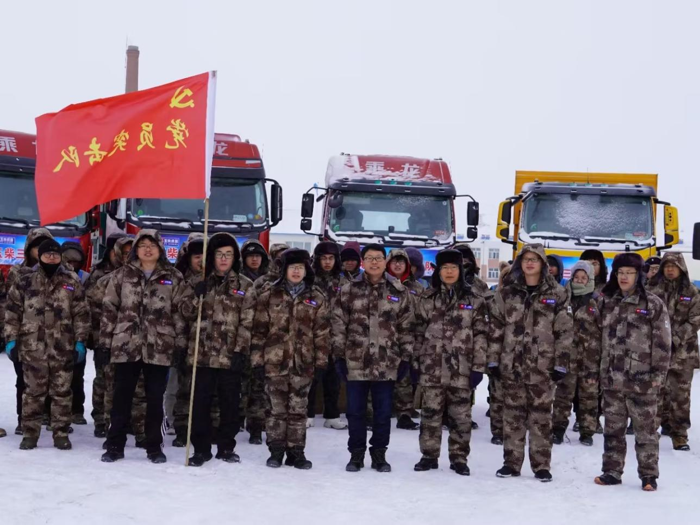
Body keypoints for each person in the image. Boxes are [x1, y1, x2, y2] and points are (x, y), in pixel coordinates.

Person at [100, 230, 192, 464]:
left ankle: (154, 447)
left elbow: (181, 313)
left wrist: (179, 344)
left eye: (152, 245)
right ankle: (114, 445)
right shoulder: (121, 275)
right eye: (142, 245)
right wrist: (105, 343)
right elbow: (110, 309)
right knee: (121, 398)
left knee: (154, 398)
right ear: (135, 250)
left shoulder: (173, 276)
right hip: (126, 346)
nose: (147, 249)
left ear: (160, 249)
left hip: (160, 347)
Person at [488, 243, 572, 482]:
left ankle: (541, 465)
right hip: (511, 365)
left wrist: (561, 363)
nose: (530, 263)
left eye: (535, 259)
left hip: (543, 368)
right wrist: (493, 360)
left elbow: (565, 332)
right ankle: (511, 463)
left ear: (543, 264)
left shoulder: (557, 294)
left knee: (541, 418)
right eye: (526, 259)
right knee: (512, 417)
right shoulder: (507, 293)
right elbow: (495, 328)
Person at [333, 244, 414, 473]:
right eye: (369, 258)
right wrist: (339, 356)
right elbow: (338, 325)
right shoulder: (348, 290)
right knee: (356, 413)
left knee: (382, 413)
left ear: (385, 261)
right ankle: (356, 455)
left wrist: (406, 357)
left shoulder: (398, 291)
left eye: (378, 258)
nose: (374, 263)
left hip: (387, 363)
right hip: (355, 362)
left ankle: (379, 455)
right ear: (362, 261)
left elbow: (407, 327)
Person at [594, 253, 671, 491]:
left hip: (643, 380)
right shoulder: (606, 302)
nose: (624, 277)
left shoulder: (652, 304)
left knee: (646, 432)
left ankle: (649, 475)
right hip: (612, 379)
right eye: (620, 273)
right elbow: (594, 337)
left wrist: (658, 377)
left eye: (629, 273)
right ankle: (612, 471)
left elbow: (663, 344)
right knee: (613, 430)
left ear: (638, 275)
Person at [4, 238, 90, 450]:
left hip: (63, 347)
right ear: (39, 256)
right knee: (32, 393)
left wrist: (80, 342)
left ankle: (60, 433)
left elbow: (81, 313)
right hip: (32, 347)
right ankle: (30, 434)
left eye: (55, 253)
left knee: (62, 393)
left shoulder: (71, 280)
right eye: (47, 253)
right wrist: (11, 340)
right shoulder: (25, 280)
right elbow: (12, 313)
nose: (51, 257)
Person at [251, 249, 330, 469]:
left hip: (303, 363)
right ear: (284, 270)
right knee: (275, 410)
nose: (296, 271)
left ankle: (296, 451)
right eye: (292, 267)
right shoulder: (269, 295)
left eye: (300, 268)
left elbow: (322, 333)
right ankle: (276, 451)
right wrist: (257, 360)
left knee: (298, 410)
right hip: (274, 361)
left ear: (306, 271)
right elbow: (258, 330)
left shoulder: (317, 297)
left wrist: (321, 362)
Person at [413, 250, 488, 475]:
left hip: (462, 370)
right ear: (438, 270)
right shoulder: (426, 299)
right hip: (431, 368)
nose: (449, 272)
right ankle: (429, 455)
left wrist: (478, 368)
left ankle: (459, 458)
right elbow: (416, 333)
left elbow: (482, 335)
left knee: (461, 417)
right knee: (430, 415)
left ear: (460, 271)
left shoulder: (474, 300)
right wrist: (415, 365)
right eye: (444, 267)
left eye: (453, 268)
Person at [183, 233, 255, 466]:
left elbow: (248, 321)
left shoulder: (245, 285)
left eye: (228, 255)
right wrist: (197, 296)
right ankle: (200, 449)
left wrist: (240, 351)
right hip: (202, 356)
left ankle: (226, 447)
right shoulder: (197, 281)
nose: (224, 259)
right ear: (211, 257)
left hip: (229, 355)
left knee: (230, 405)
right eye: (219, 254)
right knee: (199, 405)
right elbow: (185, 313)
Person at [646, 252, 699, 451]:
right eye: (666, 266)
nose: (669, 269)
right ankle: (651, 433)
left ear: (681, 268)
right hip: (656, 351)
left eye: (673, 266)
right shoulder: (651, 289)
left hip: (683, 353)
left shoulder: (692, 291)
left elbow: (696, 319)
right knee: (655, 393)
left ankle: (680, 435)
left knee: (680, 396)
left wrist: (675, 338)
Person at [6, 227, 54, 435]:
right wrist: (11, 338)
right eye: (36, 247)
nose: (39, 252)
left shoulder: (61, 270)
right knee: (24, 381)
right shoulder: (18, 273)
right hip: (28, 338)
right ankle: (23, 418)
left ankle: (51, 416)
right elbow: (11, 307)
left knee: (55, 380)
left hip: (54, 338)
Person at [85, 235, 132, 438]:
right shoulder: (102, 278)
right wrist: (96, 338)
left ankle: (126, 420)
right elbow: (90, 309)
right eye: (126, 252)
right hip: (105, 339)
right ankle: (102, 420)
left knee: (129, 384)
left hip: (131, 343)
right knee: (104, 381)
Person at [551, 261, 602, 446]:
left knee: (589, 396)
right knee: (562, 396)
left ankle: (587, 431)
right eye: (576, 277)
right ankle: (557, 430)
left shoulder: (597, 300)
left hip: (590, 359)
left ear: (590, 280)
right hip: (566, 357)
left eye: (584, 278)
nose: (579, 281)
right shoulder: (564, 299)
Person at [307, 241, 347, 430]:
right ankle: (308, 413)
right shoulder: (309, 280)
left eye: (331, 258)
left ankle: (332, 415)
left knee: (334, 378)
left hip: (336, 336)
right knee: (312, 377)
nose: (327, 262)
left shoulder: (344, 281)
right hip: (313, 337)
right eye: (324, 258)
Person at [170, 233, 206, 447]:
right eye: (196, 257)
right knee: (184, 389)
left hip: (210, 346)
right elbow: (180, 314)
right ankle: (181, 429)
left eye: (204, 256)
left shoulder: (216, 278)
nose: (200, 260)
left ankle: (202, 429)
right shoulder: (179, 279)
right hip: (185, 342)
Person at [386, 248, 423, 431]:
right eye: (394, 261)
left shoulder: (418, 288)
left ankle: (405, 414)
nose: (398, 265)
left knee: (406, 377)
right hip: (385, 338)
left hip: (411, 338)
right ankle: (377, 413)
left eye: (402, 262)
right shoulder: (381, 286)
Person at [239, 240, 271, 444]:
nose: (254, 259)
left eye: (258, 256)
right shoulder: (238, 280)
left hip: (263, 341)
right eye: (250, 256)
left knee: (259, 387)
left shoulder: (270, 281)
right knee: (240, 385)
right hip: (241, 339)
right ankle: (236, 421)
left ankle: (256, 427)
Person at [58, 241, 91, 426]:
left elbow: (85, 309)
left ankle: (77, 410)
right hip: (54, 335)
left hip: (76, 334)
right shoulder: (56, 276)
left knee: (77, 376)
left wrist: (82, 338)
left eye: (76, 260)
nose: (72, 263)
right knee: (53, 377)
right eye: (68, 258)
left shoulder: (85, 277)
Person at [487, 261, 511, 445]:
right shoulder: (493, 299)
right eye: (505, 278)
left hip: (517, 357)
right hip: (497, 353)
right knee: (497, 395)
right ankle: (497, 430)